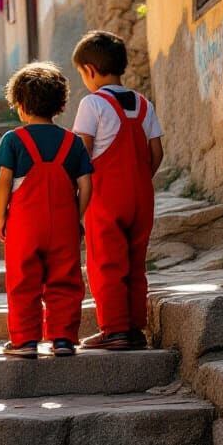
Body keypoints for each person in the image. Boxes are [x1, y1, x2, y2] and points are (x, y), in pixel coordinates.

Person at [71, 30, 164, 351]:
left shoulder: (92, 104)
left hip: (105, 198)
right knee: (135, 262)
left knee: (105, 262)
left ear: (89, 71)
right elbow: (157, 153)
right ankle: (136, 327)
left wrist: (77, 198)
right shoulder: (143, 103)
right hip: (141, 196)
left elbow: (81, 153)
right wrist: (140, 178)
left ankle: (114, 329)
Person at [0, 62, 94, 359]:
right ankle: (63, 338)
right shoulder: (72, 142)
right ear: (61, 105)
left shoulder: (14, 140)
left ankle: (25, 341)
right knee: (66, 278)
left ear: (20, 105)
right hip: (64, 221)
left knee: (23, 280)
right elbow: (86, 184)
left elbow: (4, 183)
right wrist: (77, 216)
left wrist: (1, 216)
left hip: (24, 225)